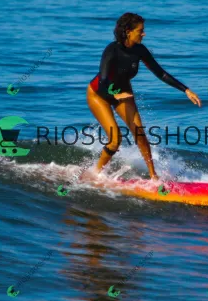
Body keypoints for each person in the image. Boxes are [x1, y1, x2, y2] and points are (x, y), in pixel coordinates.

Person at [84, 12, 201, 181]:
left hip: (123, 92)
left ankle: (153, 176)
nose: (144, 34)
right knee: (115, 139)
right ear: (128, 32)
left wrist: (186, 90)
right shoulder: (112, 50)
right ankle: (95, 173)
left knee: (140, 135)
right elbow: (103, 81)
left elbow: (160, 73)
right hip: (99, 94)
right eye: (140, 30)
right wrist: (116, 94)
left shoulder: (140, 50)